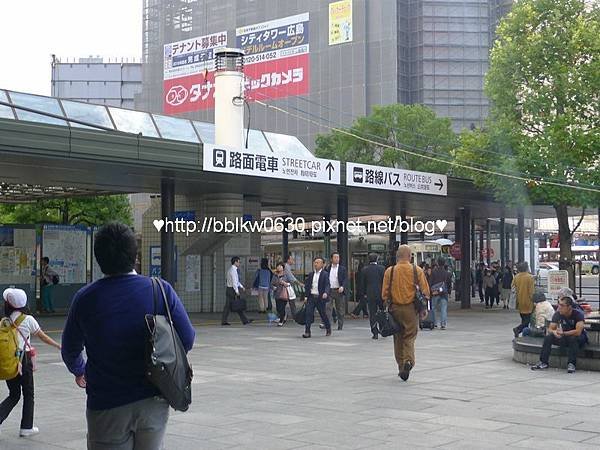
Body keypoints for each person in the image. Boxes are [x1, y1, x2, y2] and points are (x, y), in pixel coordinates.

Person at [61, 222, 196, 450]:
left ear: (99, 258)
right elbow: (187, 338)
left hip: (106, 402)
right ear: (135, 256)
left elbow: (70, 349)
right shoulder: (159, 289)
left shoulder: (85, 298)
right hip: (153, 398)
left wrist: (79, 369)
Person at [0, 288, 61, 437]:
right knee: (28, 393)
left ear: (8, 305)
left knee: (14, 394)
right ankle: (26, 427)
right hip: (24, 359)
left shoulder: (4, 321)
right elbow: (43, 337)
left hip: (9, 360)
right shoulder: (28, 319)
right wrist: (59, 346)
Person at [381, 245, 430, 381]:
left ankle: (401, 366)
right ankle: (408, 361)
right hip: (411, 308)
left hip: (394, 308)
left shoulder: (389, 271)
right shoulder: (417, 270)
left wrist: (388, 303)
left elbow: (384, 293)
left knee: (398, 337)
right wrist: (423, 309)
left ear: (397, 256)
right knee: (409, 336)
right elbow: (425, 291)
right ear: (409, 256)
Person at [531, 295, 587, 373]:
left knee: (573, 338)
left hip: (578, 338)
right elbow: (550, 328)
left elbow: (578, 332)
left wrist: (563, 333)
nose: (559, 307)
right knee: (548, 337)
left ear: (569, 307)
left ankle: (571, 364)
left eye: (562, 305)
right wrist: (555, 332)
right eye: (559, 305)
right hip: (563, 336)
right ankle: (543, 362)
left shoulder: (578, 314)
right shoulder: (558, 314)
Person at [302, 257, 331, 338]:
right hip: (311, 297)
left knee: (323, 314)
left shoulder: (325, 274)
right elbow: (307, 286)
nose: (316, 264)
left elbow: (327, 285)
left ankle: (328, 328)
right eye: (315, 262)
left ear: (322, 264)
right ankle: (307, 331)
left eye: (318, 262)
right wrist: (306, 296)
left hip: (320, 297)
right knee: (308, 313)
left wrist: (326, 292)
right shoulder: (311, 274)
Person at [359, 253, 385, 339]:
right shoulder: (382, 269)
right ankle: (383, 328)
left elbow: (362, 284)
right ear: (377, 259)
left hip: (370, 294)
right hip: (380, 293)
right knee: (382, 311)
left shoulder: (364, 270)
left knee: (372, 313)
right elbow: (384, 282)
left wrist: (363, 294)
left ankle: (375, 332)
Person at [222, 256, 253, 326]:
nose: (239, 263)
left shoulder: (231, 269)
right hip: (232, 290)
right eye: (239, 262)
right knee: (237, 305)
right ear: (235, 262)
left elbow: (236, 281)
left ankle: (244, 320)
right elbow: (234, 282)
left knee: (232, 306)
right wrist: (237, 291)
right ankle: (244, 320)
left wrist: (242, 287)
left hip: (229, 289)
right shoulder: (233, 270)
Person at [325, 252, 348, 331]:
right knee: (328, 308)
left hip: (339, 290)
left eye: (338, 257)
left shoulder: (342, 268)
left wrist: (342, 286)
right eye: (335, 257)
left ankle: (340, 325)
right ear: (331, 259)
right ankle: (328, 325)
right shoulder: (327, 268)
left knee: (340, 309)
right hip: (330, 290)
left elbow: (345, 279)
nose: (337, 259)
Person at [512, 262, 535, 337]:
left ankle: (524, 334)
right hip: (528, 302)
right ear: (526, 268)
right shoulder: (530, 277)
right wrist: (534, 301)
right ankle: (518, 329)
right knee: (527, 320)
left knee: (523, 318)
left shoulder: (516, 277)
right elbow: (531, 291)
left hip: (519, 301)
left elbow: (513, 288)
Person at [428, 257, 452, 329]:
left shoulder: (433, 272)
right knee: (443, 309)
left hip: (435, 293)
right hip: (444, 293)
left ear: (437, 263)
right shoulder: (447, 273)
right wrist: (449, 292)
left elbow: (430, 282)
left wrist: (430, 292)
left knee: (434, 308)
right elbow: (449, 284)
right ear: (444, 263)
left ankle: (435, 323)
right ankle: (443, 324)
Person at [271, 262, 291, 327]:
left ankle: (281, 321)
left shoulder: (286, 275)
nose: (279, 267)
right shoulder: (275, 275)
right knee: (278, 308)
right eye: (277, 266)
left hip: (284, 293)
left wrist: (284, 283)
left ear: (283, 267)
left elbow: (290, 283)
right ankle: (284, 315)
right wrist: (273, 287)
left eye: (280, 266)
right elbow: (271, 283)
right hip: (277, 294)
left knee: (282, 308)